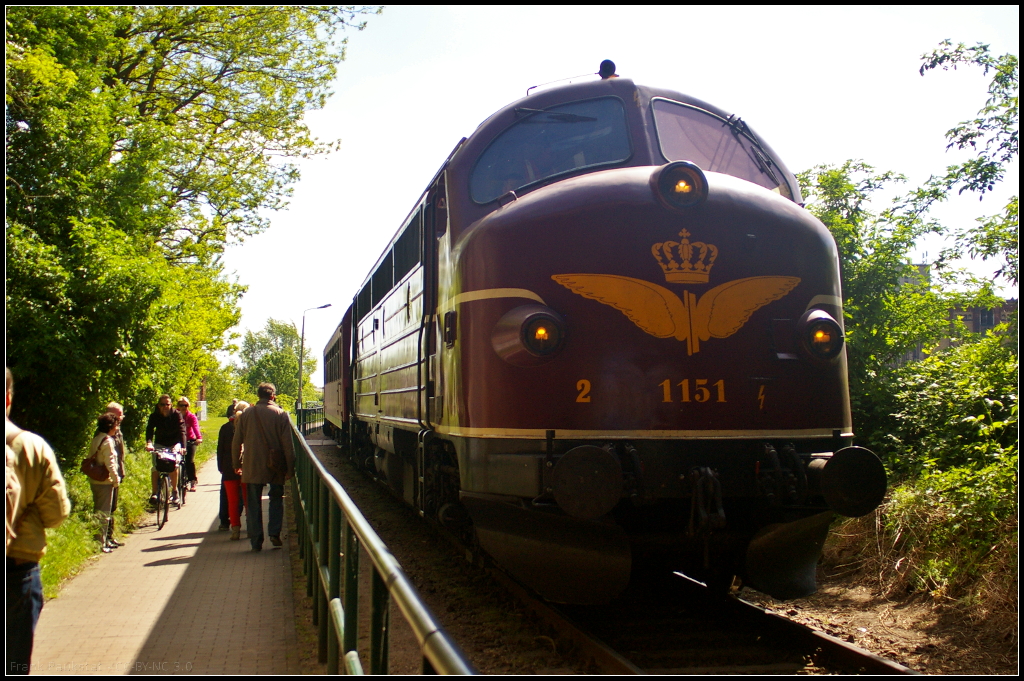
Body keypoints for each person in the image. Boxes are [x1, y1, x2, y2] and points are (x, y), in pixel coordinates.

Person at [6, 368, 71, 675]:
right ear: (8, 398)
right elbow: (56, 515)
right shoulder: (32, 447)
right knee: (15, 663)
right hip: (17, 569)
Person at [232, 384, 293, 552]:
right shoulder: (280, 414)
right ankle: (274, 533)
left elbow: (236, 441)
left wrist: (236, 464)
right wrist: (290, 468)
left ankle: (256, 540)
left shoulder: (246, 414)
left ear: (258, 396)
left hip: (252, 465)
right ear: (273, 396)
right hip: (275, 464)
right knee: (276, 497)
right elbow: (288, 445)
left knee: (252, 503)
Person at [87, 413, 122, 553]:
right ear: (111, 426)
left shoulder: (97, 438)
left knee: (98, 510)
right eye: (116, 425)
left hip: (94, 479)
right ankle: (100, 543)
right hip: (104, 481)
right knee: (104, 514)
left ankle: (99, 541)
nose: (117, 427)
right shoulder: (107, 441)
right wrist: (115, 479)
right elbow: (110, 463)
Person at [145, 394, 186, 505]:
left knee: (174, 465)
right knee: (155, 467)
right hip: (160, 443)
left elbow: (182, 430)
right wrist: (149, 443)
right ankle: (154, 493)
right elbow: (149, 430)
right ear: (158, 405)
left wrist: (183, 447)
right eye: (162, 404)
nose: (165, 407)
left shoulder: (176, 415)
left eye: (167, 404)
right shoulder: (154, 416)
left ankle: (174, 491)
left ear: (171, 405)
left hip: (174, 443)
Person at [217, 401, 249, 540]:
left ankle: (235, 528)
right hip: (246, 468)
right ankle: (251, 527)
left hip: (229, 470)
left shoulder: (225, 428)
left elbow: (220, 450)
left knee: (232, 501)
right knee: (248, 500)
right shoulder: (249, 428)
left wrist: (221, 467)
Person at [104, 402, 126, 547]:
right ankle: (105, 538)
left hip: (117, 472)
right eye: (117, 415)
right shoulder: (104, 434)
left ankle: (110, 536)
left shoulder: (117, 431)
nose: (121, 417)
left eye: (121, 414)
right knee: (107, 507)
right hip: (108, 476)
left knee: (113, 506)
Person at [177, 397, 202, 492]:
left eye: (186, 405)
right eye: (181, 405)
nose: (183, 407)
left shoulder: (191, 416)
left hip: (190, 440)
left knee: (189, 460)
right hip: (178, 442)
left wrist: (198, 438)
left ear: (189, 406)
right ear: (178, 406)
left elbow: (196, 427)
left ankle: (192, 480)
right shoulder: (175, 415)